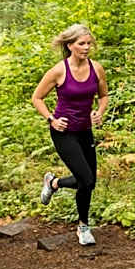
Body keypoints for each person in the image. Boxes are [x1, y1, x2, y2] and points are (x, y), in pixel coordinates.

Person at [31, 24, 109, 246]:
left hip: (85, 131)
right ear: (70, 45)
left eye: (88, 43)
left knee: (89, 182)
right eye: (81, 44)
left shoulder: (97, 68)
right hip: (64, 133)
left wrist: (99, 112)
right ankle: (83, 227)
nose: (86, 48)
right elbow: (37, 98)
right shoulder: (59, 71)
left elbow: (104, 96)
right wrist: (51, 120)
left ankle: (53, 183)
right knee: (85, 179)